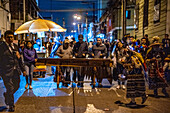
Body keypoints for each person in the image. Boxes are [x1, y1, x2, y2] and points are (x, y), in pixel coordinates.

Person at [0, 30, 26, 112]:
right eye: (8, 37)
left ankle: (7, 95)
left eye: (11, 37)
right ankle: (11, 105)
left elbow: (19, 59)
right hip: (6, 71)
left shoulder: (15, 46)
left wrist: (23, 70)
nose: (10, 39)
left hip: (16, 71)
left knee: (17, 86)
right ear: (5, 38)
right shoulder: (1, 47)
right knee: (10, 88)